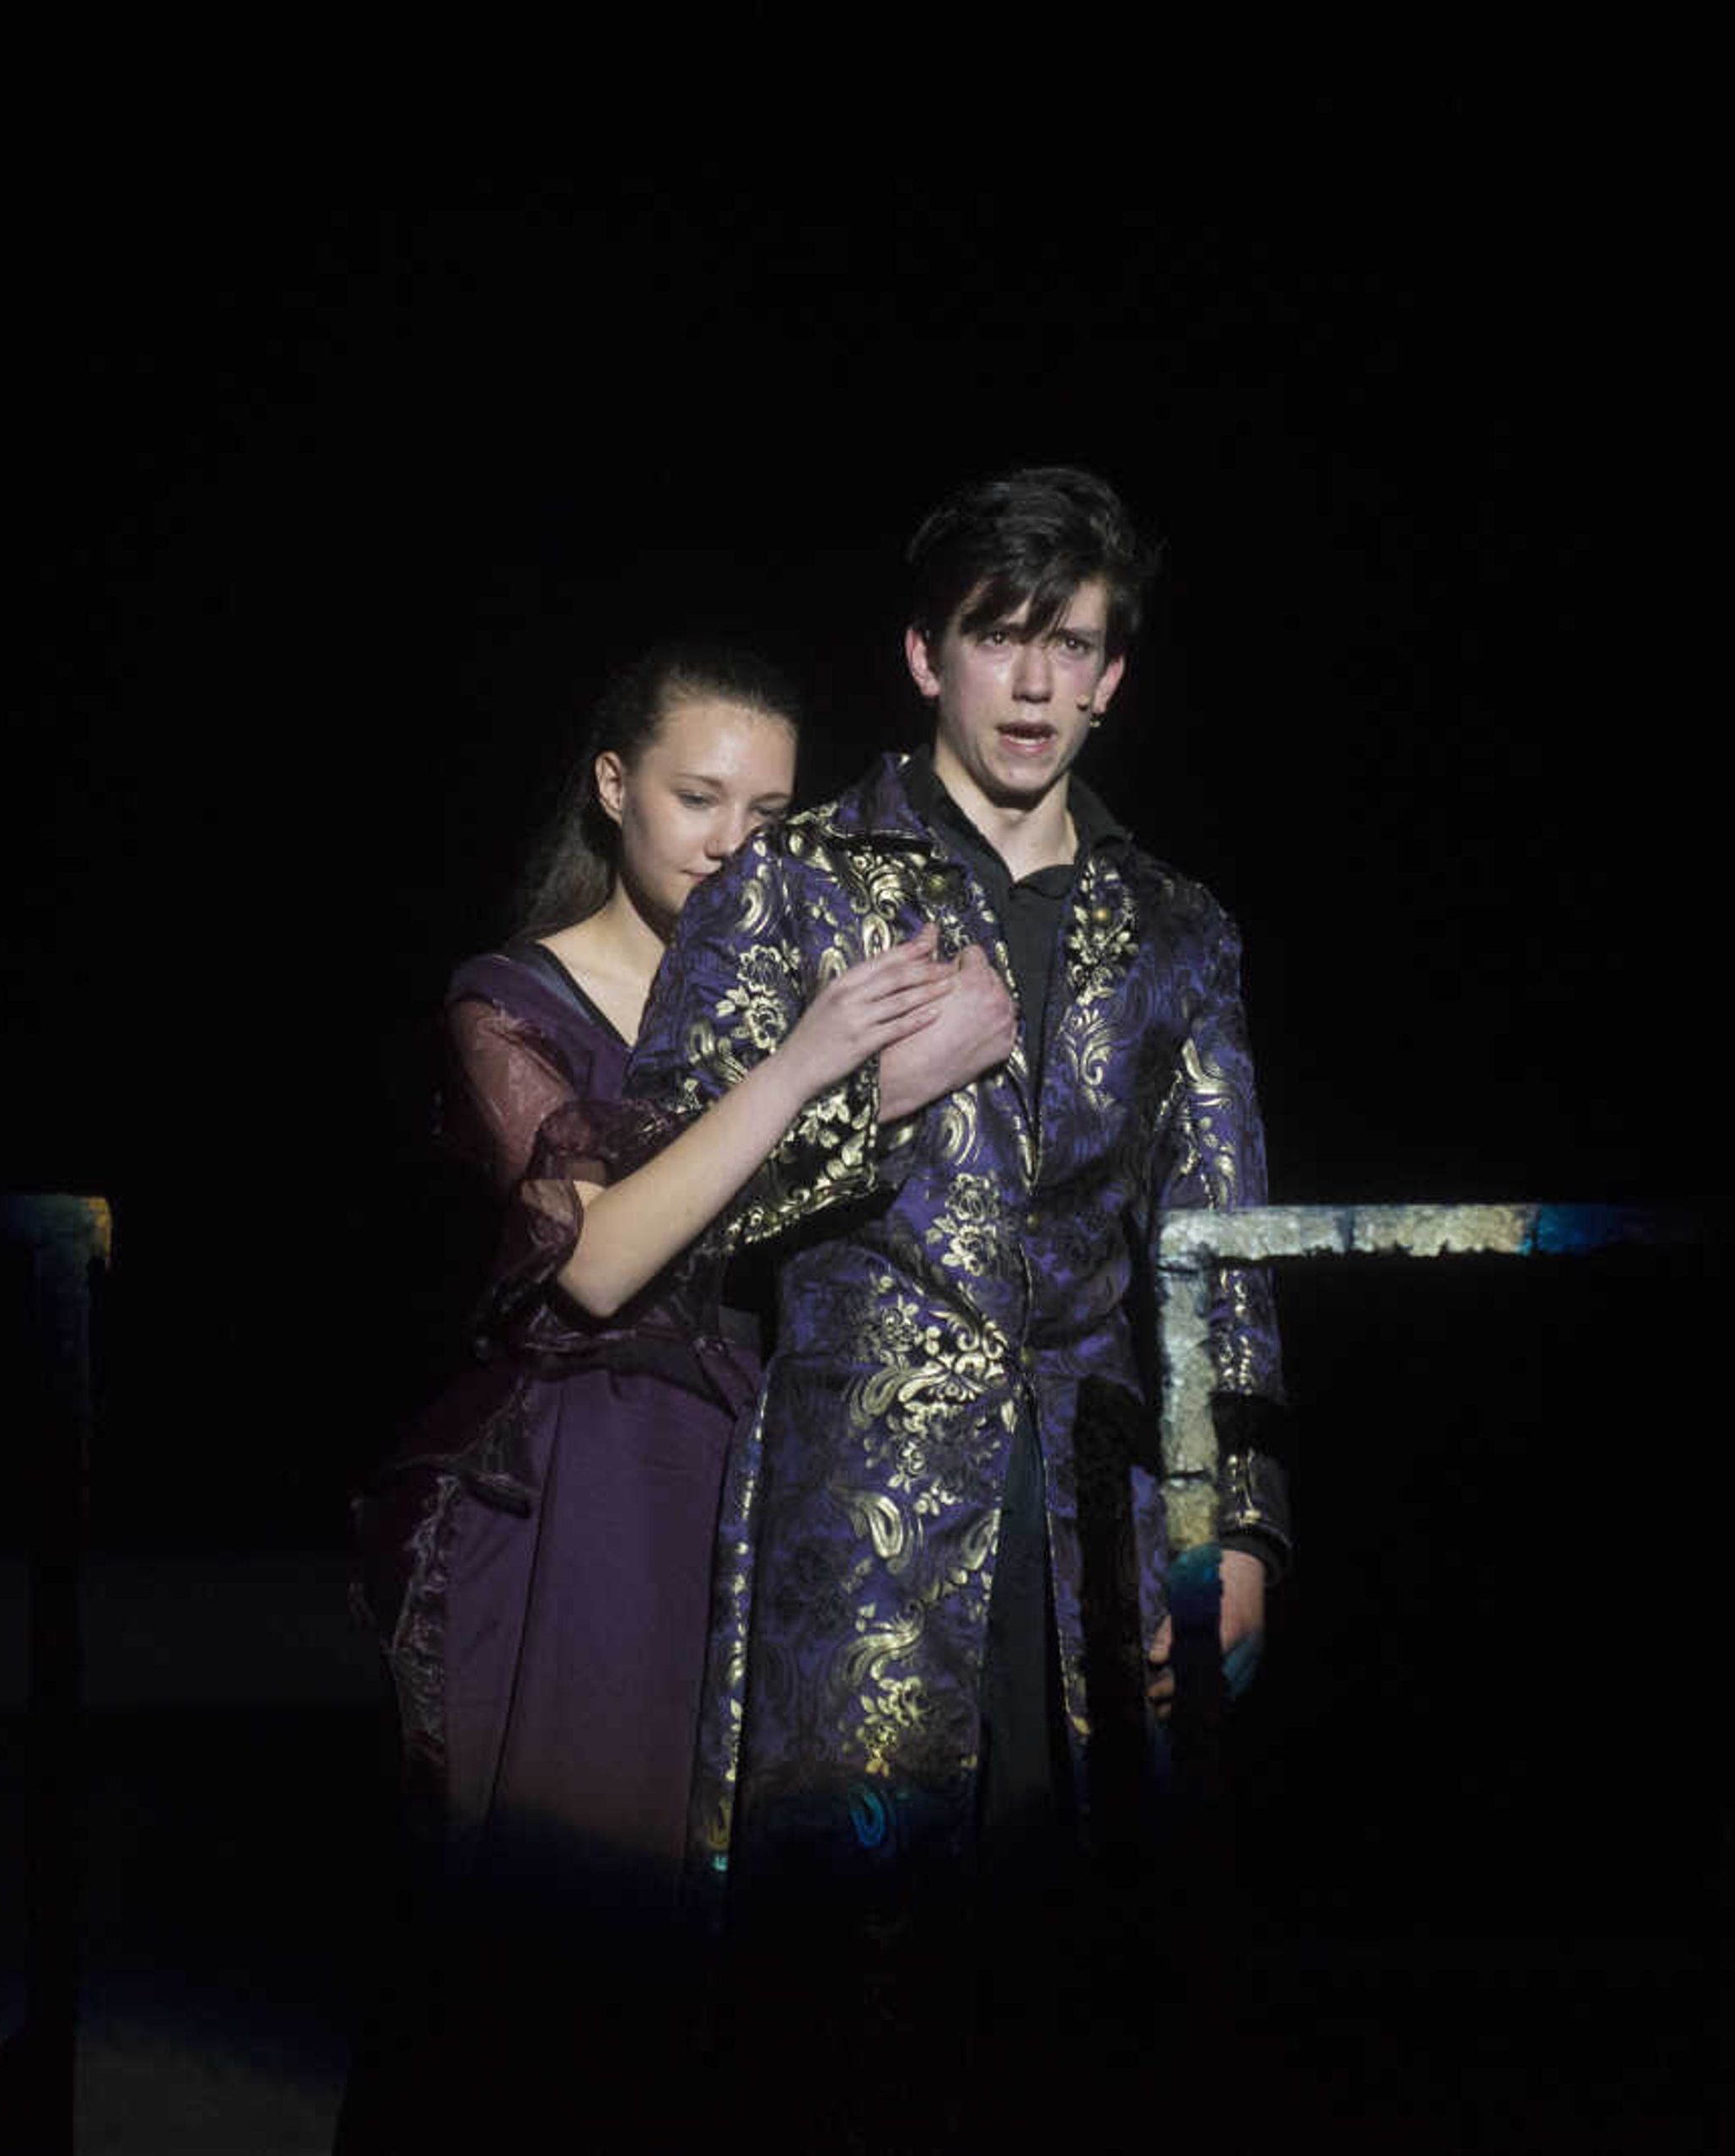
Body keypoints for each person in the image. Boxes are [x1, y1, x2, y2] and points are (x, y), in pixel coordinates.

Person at [618, 469, 1293, 2138]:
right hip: (860, 1515)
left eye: (1075, 644)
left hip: (1091, 1515)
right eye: (1006, 637)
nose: (1041, 682)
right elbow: (666, 1202)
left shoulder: (1179, 929)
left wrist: (1251, 1529)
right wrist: (866, 1093)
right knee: (844, 1991)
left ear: (1116, 674)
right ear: (928, 655)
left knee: (1081, 1984)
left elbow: (1227, 1249)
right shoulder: (796, 884)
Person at [351, 641, 981, 1918]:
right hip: (592, 1477)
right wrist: (819, 1073)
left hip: (766, 1466)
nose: (730, 847)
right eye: (698, 800)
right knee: (579, 1913)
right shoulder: (511, 998)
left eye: (768, 816)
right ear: (613, 786)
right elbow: (595, 1265)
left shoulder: (788, 1001)